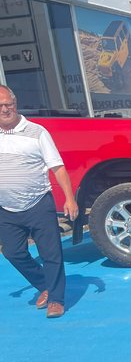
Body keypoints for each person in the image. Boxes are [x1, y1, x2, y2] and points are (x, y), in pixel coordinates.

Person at [0, 84, 78, 318]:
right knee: (13, 253)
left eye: (8, 104)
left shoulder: (37, 132)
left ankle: (56, 299)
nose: (5, 109)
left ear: (16, 104)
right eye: (0, 106)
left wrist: (70, 199)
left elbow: (58, 167)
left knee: (51, 253)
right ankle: (45, 283)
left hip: (38, 204)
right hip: (6, 208)